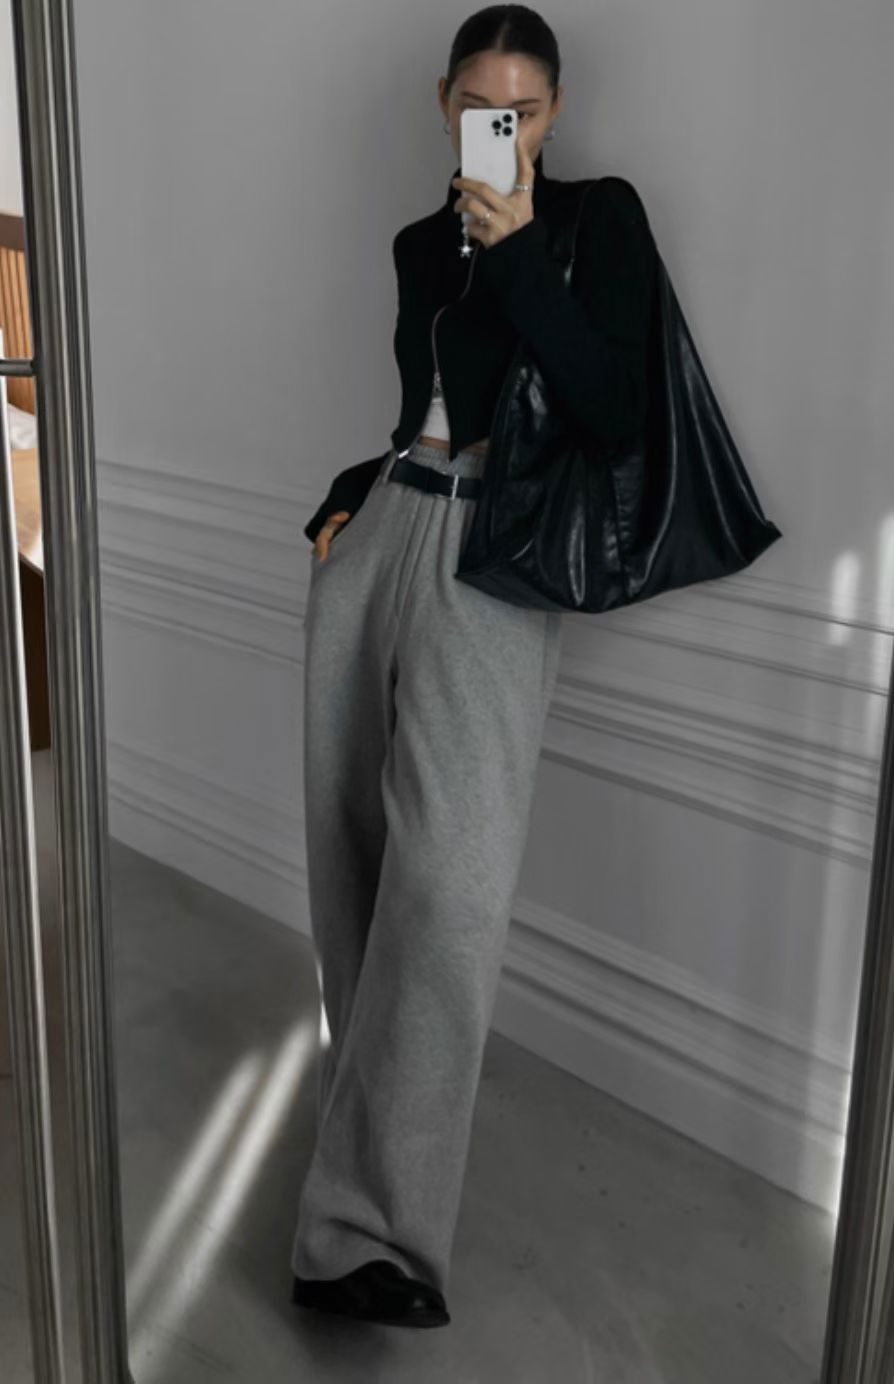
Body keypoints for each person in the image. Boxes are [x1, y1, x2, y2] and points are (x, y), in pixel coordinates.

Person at [290, 3, 657, 1329]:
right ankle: (358, 1157)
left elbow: (613, 410)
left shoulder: (595, 222)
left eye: (523, 110)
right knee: (351, 857)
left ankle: (371, 1241)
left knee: (447, 891)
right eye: (477, 107)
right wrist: (350, 492)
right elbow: (423, 411)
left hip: (495, 562)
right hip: (385, 527)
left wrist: (521, 262)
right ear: (442, 102)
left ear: (553, 113)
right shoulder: (412, 243)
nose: (498, 128)